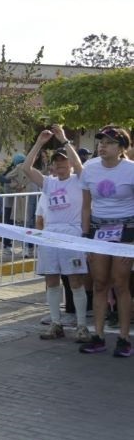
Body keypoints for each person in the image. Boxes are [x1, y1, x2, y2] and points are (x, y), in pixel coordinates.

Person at [21, 128, 89, 342]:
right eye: (56, 161)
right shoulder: (48, 183)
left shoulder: (78, 180)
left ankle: (81, 326)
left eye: (63, 161)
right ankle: (55, 323)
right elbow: (26, 167)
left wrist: (64, 140)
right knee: (51, 280)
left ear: (68, 162)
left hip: (72, 234)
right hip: (50, 235)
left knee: (75, 280)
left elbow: (79, 165)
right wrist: (39, 143)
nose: (60, 164)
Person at [79, 126, 134, 357]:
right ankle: (98, 335)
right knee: (99, 283)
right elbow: (85, 206)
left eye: (110, 142)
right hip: (98, 230)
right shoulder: (90, 168)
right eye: (101, 141)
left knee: (121, 283)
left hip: (126, 229)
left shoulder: (131, 170)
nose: (102, 145)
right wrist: (84, 239)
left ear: (121, 148)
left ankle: (123, 338)